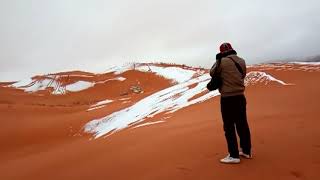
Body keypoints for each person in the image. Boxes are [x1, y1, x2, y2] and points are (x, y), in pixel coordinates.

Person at [210, 42, 252, 164]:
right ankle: (246, 151)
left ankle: (233, 155)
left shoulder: (221, 62)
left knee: (229, 127)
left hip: (227, 98)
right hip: (240, 97)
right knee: (242, 124)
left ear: (221, 51)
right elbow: (242, 75)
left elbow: (212, 73)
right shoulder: (241, 61)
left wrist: (218, 60)